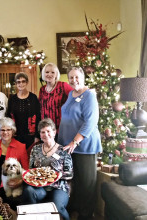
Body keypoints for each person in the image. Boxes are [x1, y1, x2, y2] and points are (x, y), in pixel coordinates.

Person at [58, 66, 102, 220]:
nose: (74, 80)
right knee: (75, 180)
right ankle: (76, 208)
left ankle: (86, 215)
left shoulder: (89, 95)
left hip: (84, 146)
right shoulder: (71, 93)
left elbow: (91, 122)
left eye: (77, 77)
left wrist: (74, 142)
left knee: (87, 183)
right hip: (70, 147)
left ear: (83, 78)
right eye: (71, 77)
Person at [22, 118, 73, 220]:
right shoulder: (35, 149)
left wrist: (55, 175)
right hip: (41, 187)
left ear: (54, 132)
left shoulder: (63, 151)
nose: (46, 134)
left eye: (48, 131)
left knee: (57, 206)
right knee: (28, 191)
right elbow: (31, 170)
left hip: (58, 187)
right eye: (42, 132)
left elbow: (70, 174)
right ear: (40, 135)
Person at [7, 72, 41, 149]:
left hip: (31, 136)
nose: (21, 84)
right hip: (16, 136)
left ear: (27, 82)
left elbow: (38, 117)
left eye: (23, 81)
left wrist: (37, 136)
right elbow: (8, 117)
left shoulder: (33, 98)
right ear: (15, 83)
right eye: (18, 82)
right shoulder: (12, 99)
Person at [39, 63, 73, 137]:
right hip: (46, 129)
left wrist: (87, 91)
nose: (49, 74)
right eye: (47, 72)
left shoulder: (63, 86)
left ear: (56, 74)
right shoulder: (42, 90)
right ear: (43, 74)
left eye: (52, 72)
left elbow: (75, 95)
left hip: (61, 128)